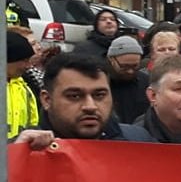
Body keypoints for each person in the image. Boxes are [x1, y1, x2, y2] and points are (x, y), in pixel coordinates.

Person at [20, 53, 154, 143]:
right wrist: (15, 159)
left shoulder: (139, 142)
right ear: (46, 100)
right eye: (74, 96)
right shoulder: (20, 150)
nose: (90, 106)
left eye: (99, 95)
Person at [7, 30, 40, 140]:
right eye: (24, 61)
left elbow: (33, 124)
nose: (28, 66)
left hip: (18, 153)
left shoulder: (25, 89)